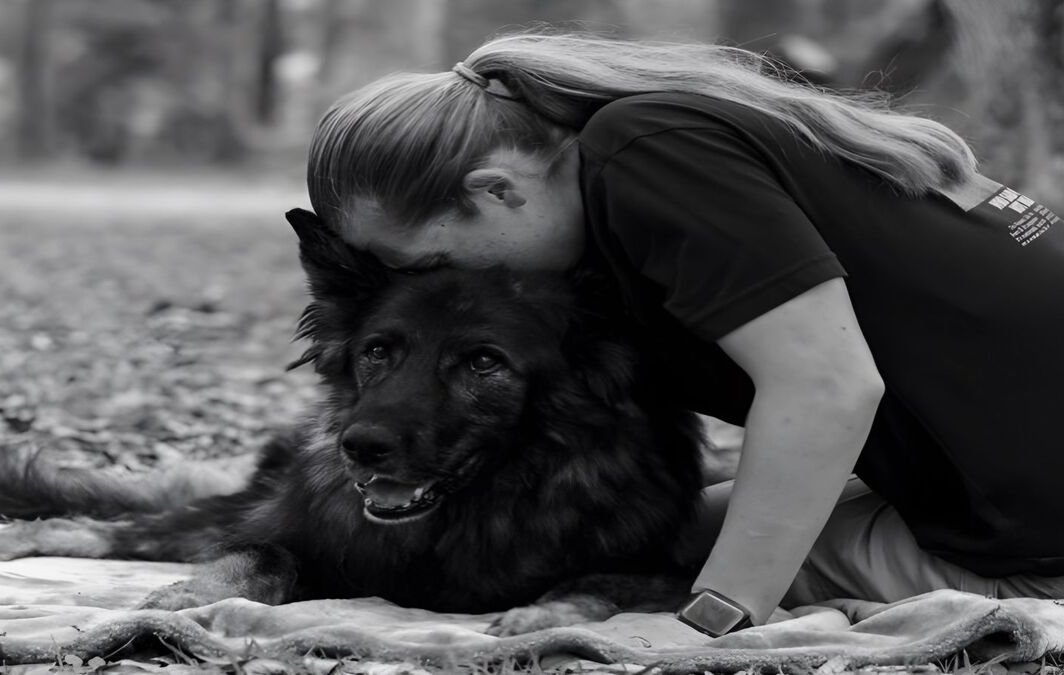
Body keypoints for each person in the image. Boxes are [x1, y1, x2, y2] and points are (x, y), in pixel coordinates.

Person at [302, 32, 1064, 637]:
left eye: (432, 261)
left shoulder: (650, 157)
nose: (440, 288)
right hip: (1009, 491)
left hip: (1038, 555)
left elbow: (827, 386)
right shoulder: (664, 133)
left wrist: (715, 617)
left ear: (496, 191)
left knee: (628, 557)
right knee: (661, 526)